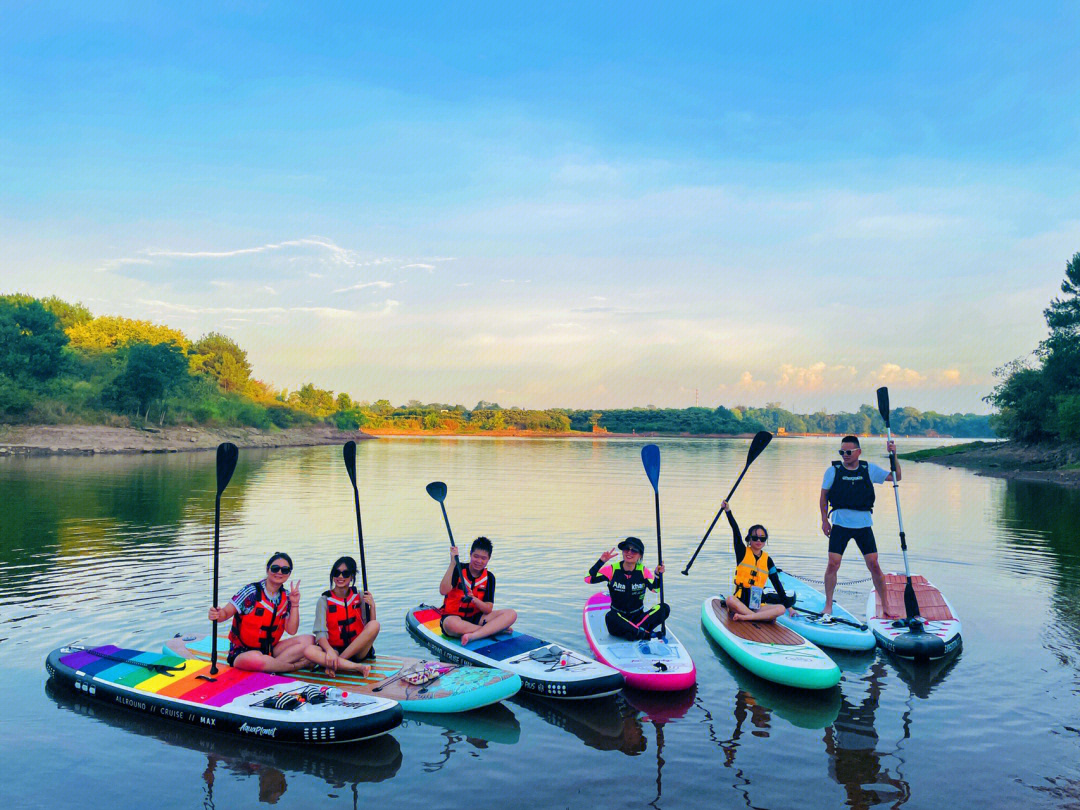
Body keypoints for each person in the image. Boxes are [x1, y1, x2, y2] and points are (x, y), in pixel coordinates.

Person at [820, 434, 900, 621]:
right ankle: (828, 604)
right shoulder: (832, 471)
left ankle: (886, 605)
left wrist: (893, 455)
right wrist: (824, 520)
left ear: (858, 452)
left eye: (848, 452)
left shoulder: (868, 469)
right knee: (833, 564)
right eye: (842, 452)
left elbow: (897, 476)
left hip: (863, 525)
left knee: (873, 564)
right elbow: (823, 497)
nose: (845, 455)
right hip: (840, 524)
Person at [207, 552, 313, 672]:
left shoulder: (287, 596)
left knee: (309, 640)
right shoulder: (251, 592)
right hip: (243, 653)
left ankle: (272, 665)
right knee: (258, 660)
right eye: (275, 568)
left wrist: (295, 604)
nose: (279, 572)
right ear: (267, 570)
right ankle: (293, 666)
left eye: (284, 570)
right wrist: (217, 614)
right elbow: (224, 614)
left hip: (269, 650)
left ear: (289, 574)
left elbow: (292, 630)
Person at [303, 556, 380, 676]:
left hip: (358, 650)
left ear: (352, 577)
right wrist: (329, 651)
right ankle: (355, 667)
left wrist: (372, 607)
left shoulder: (360, 596)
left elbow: (369, 627)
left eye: (345, 573)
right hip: (334, 651)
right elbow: (320, 633)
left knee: (375, 624)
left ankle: (336, 665)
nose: (340, 577)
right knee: (309, 651)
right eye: (336, 573)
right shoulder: (324, 600)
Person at [718, 501, 794, 622]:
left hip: (757, 606)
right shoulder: (742, 552)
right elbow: (735, 531)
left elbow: (777, 584)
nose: (759, 540)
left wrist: (789, 608)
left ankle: (749, 617)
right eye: (755, 537)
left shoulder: (768, 560)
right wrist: (728, 511)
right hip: (740, 603)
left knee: (780, 609)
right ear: (749, 539)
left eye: (762, 538)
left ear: (765, 541)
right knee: (729, 600)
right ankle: (758, 618)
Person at [585, 536, 669, 640]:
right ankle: (643, 634)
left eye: (634, 550)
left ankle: (634, 632)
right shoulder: (612, 569)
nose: (629, 552)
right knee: (610, 616)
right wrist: (601, 561)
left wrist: (657, 574)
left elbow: (655, 589)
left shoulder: (643, 571)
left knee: (664, 608)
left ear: (640, 555)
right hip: (618, 620)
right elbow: (588, 579)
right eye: (626, 549)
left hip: (638, 618)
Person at [439, 537, 517, 645]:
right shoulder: (458, 568)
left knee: (511, 614)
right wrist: (452, 563)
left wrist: (475, 600)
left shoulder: (489, 578)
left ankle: (474, 635)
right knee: (450, 624)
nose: (479, 561)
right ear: (470, 554)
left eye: (483, 558)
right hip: (454, 618)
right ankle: (492, 630)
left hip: (477, 618)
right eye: (476, 556)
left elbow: (488, 609)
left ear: (489, 559)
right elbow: (443, 590)